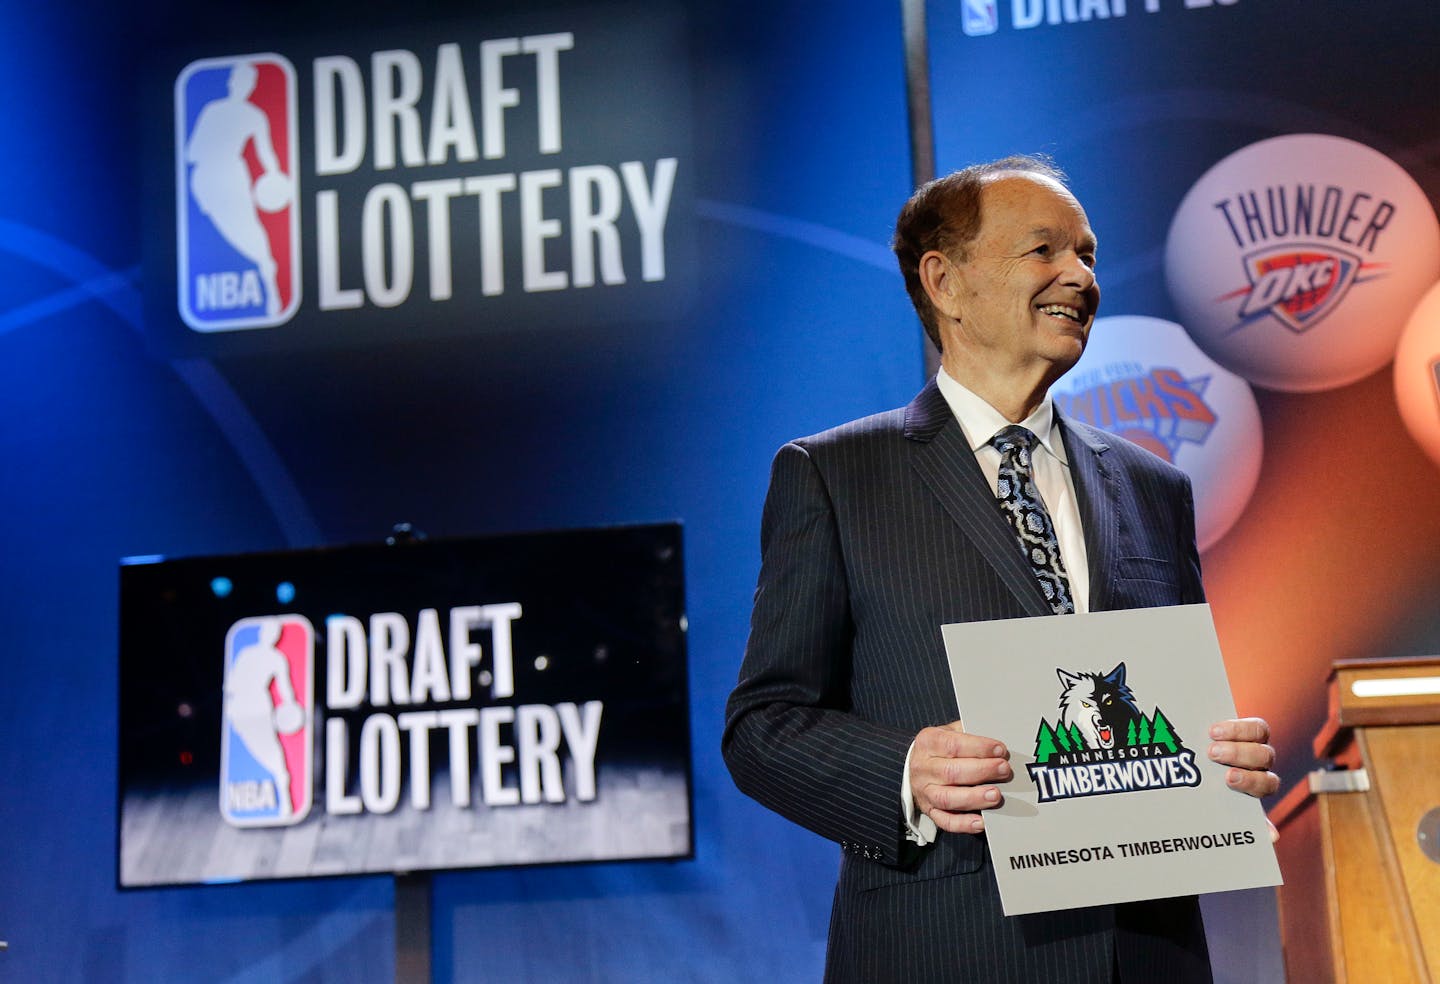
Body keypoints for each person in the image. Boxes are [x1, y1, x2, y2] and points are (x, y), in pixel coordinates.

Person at [721, 156, 1279, 983]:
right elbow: (762, 727)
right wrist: (908, 769)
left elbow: (1162, 710)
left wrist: (1223, 759)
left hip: (1147, 953)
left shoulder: (1153, 487)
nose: (1080, 277)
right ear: (944, 282)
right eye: (1044, 250)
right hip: (945, 945)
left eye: (1088, 253)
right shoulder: (836, 477)